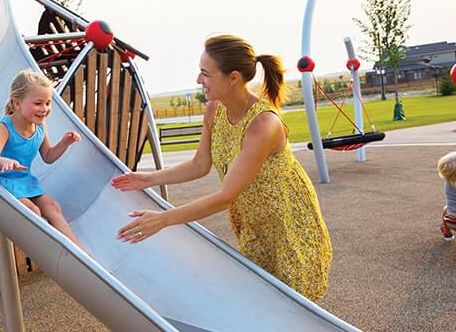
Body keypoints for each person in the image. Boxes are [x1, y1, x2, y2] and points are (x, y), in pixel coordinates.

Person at [112, 34, 332, 301]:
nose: (198, 80)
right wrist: (148, 178)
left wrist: (163, 219)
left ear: (234, 78)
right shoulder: (215, 109)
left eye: (206, 73)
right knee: (260, 302)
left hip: (289, 224)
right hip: (256, 223)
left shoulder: (263, 125)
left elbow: (225, 197)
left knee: (291, 308)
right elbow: (200, 164)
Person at [0, 69, 86, 251]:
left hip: (22, 180)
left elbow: (48, 156)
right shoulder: (5, 127)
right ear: (17, 103)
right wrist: (4, 161)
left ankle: (79, 251)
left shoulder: (40, 126)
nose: (44, 108)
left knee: (52, 206)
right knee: (33, 210)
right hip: (0, 179)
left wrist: (64, 143)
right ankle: (53, 250)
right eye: (38, 103)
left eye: (47, 103)